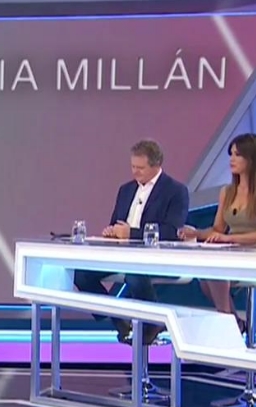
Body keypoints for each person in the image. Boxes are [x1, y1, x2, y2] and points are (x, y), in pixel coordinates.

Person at [73, 139, 189, 345]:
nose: (135, 172)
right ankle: (118, 320)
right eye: (133, 166)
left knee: (134, 277)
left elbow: (171, 231)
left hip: (154, 258)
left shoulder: (175, 191)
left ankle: (153, 324)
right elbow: (116, 222)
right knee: (81, 274)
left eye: (140, 168)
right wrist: (112, 232)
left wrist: (131, 233)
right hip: (121, 256)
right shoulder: (126, 190)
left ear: (156, 165)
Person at [179, 133, 256, 332]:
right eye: (231, 154)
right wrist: (196, 233)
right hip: (232, 251)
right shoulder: (227, 191)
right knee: (205, 276)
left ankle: (228, 325)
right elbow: (218, 229)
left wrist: (228, 238)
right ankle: (232, 323)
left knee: (215, 270)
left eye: (238, 155)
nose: (232, 159)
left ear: (252, 158)